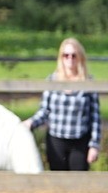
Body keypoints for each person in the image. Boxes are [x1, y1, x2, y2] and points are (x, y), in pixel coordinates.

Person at [27, 38, 100, 171]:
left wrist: (94, 145)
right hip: (56, 140)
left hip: (80, 141)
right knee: (58, 184)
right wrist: (30, 123)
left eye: (74, 55)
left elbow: (95, 117)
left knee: (79, 184)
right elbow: (44, 111)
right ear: (61, 57)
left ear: (80, 57)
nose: (70, 59)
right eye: (66, 55)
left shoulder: (89, 82)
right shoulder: (52, 80)